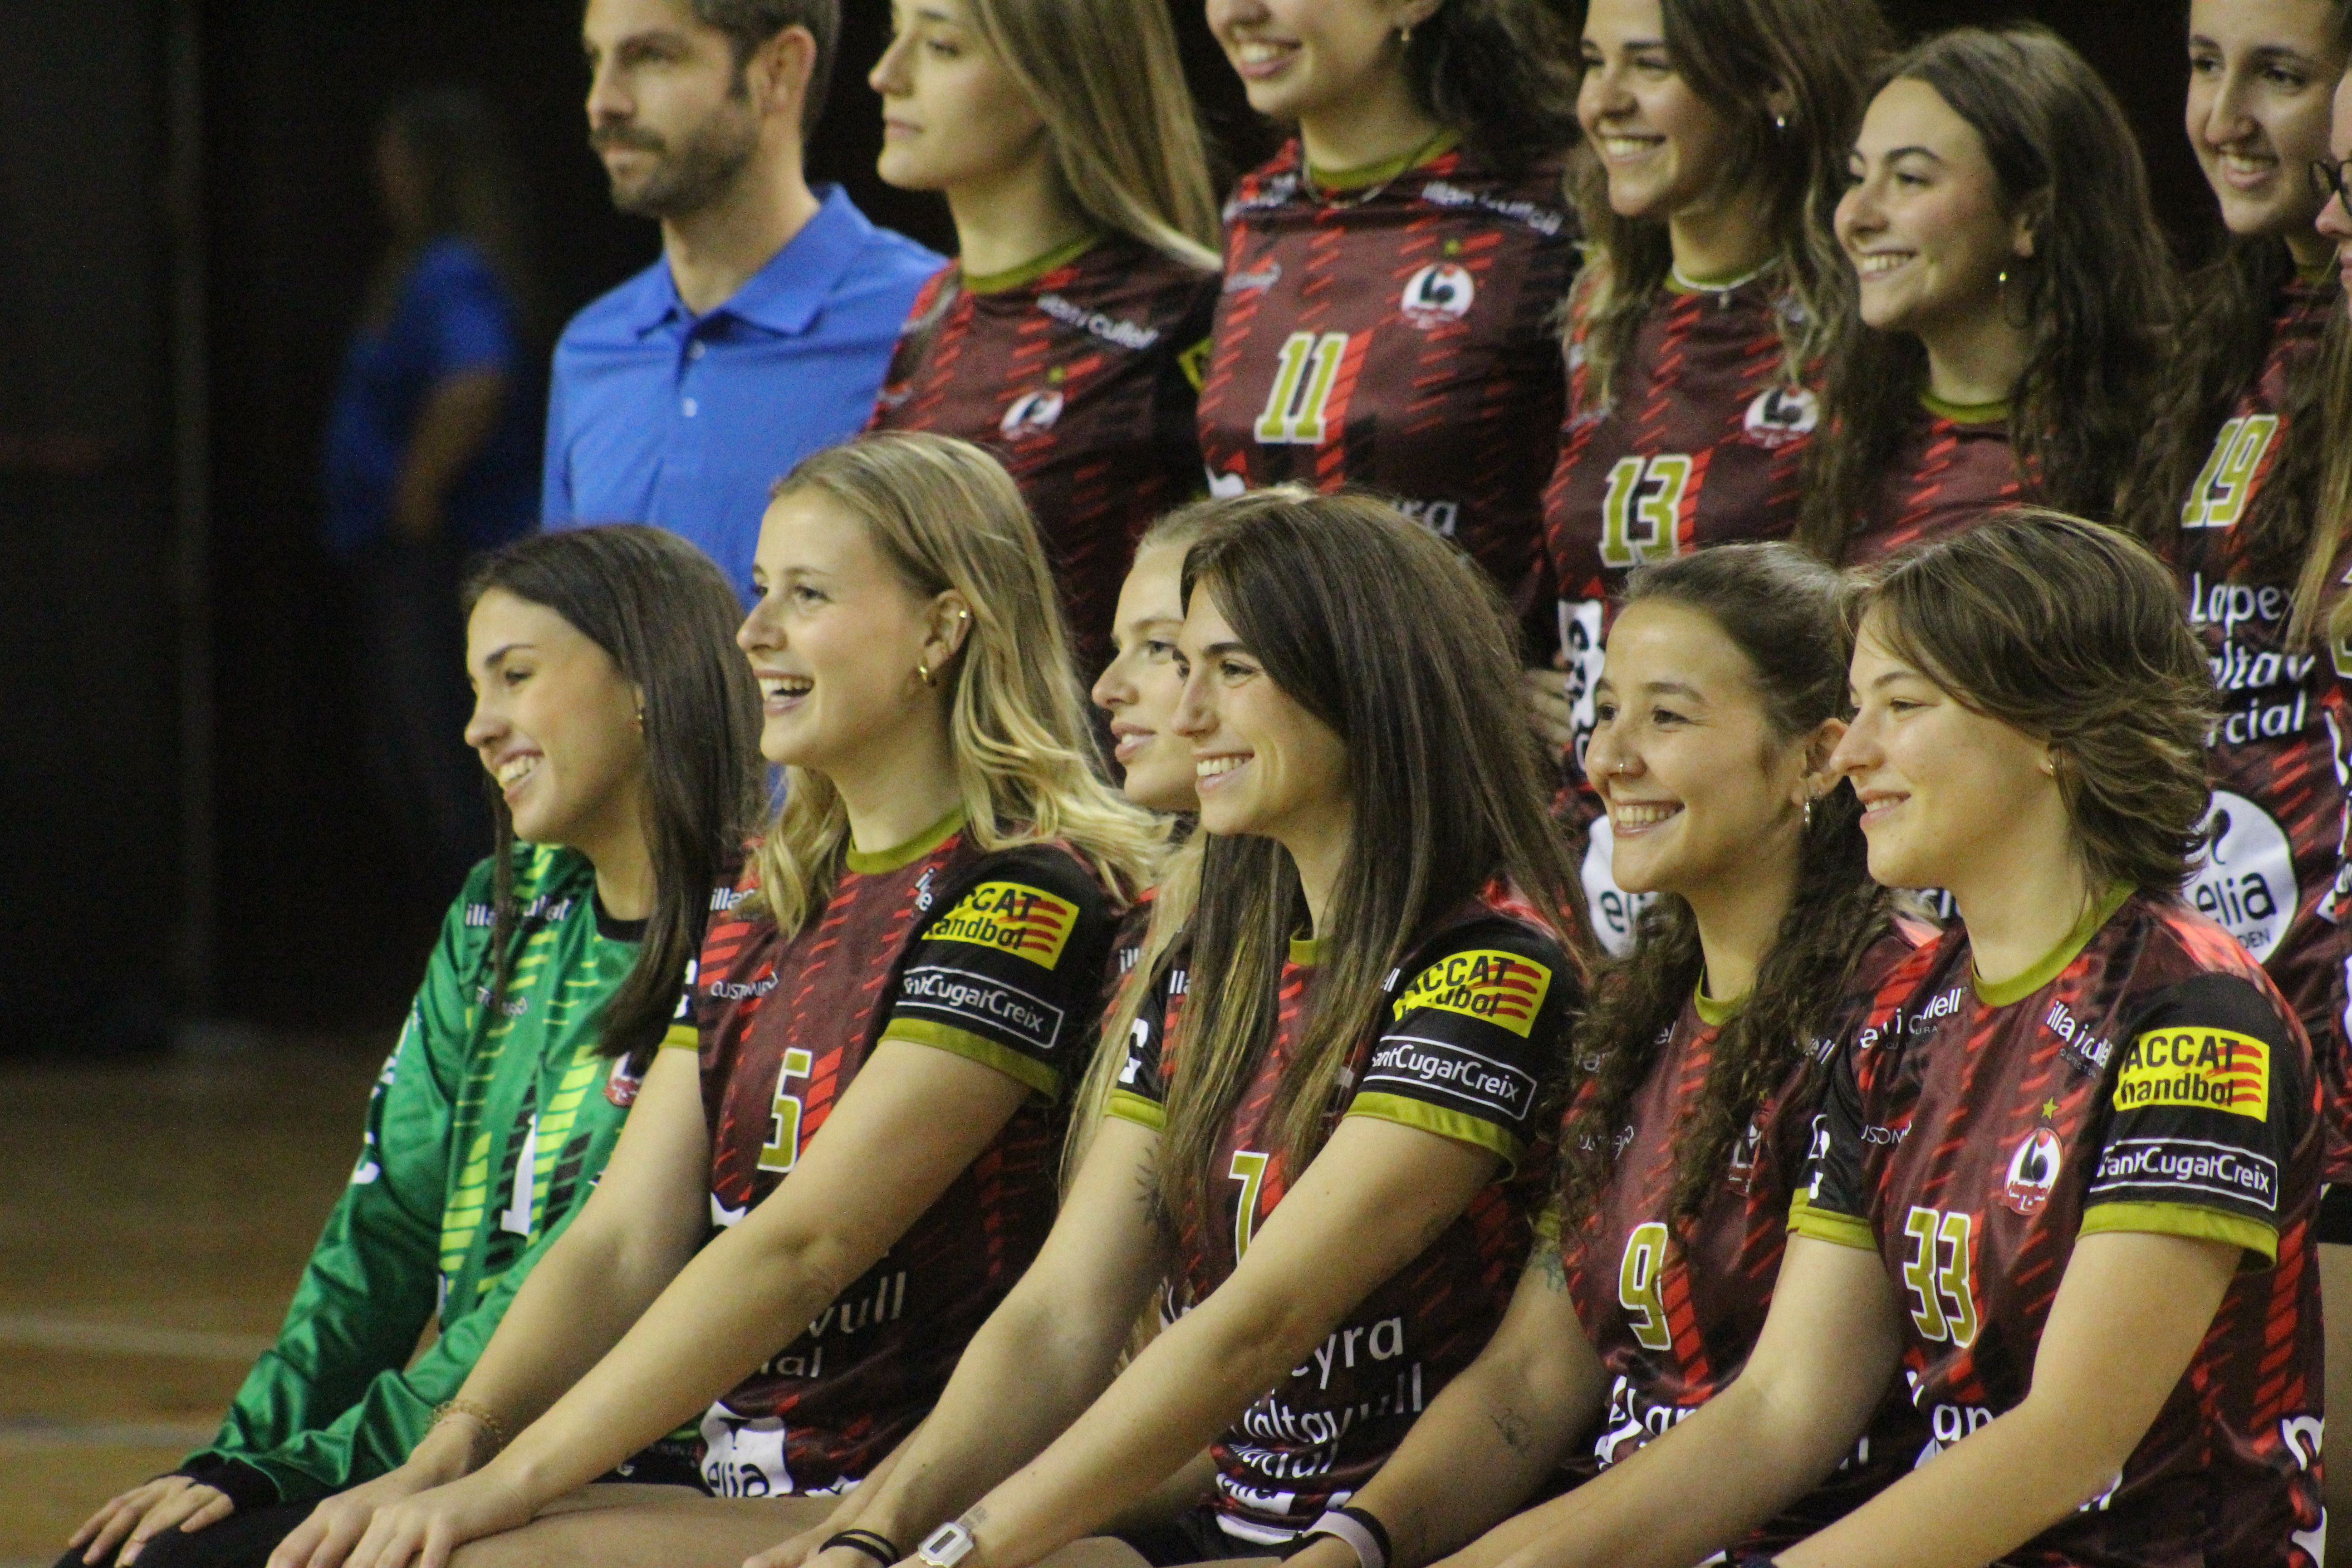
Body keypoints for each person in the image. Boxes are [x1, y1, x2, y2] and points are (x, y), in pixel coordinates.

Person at [267, 433, 1156, 1568]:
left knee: (472, 1556)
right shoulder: (762, 886)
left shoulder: (1021, 889)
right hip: (738, 1471)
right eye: (757, 592)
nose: (753, 633)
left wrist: (506, 1488)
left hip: (909, 1493)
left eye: (808, 595)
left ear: (941, 627)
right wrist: (455, 1451)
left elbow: (804, 1246)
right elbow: (619, 1238)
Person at [1449, 511, 2324, 1568]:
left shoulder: (2192, 1015)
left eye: (1901, 706)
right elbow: (1780, 1404)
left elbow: (2067, 1442)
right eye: (1855, 708)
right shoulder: (1898, 1017)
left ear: (2055, 727)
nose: (1852, 749)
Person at [761, 488, 1591, 1568]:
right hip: (1217, 1525)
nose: (1184, 712)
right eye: (1179, 664)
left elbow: (1258, 1321)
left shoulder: (1487, 971)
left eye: (1230, 670)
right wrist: (870, 1534)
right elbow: (1061, 1314)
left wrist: (956, 1549)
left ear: (1362, 681)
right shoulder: (1216, 965)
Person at [64, 527, 764, 1568]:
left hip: (627, 1449)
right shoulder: (498, 911)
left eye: (515, 676)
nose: (479, 726)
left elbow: (581, 1278)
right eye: (474, 687)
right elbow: (381, 1231)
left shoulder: (755, 928)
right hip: (457, 1438)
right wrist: (240, 1457)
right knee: (147, 1546)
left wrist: (311, 1466)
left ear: (648, 681)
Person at [1288, 544, 1926, 1568]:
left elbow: (1781, 1418)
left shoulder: (1900, 1016)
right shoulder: (1636, 1012)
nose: (1607, 759)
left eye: (1666, 718)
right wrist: (1350, 1548)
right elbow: (1529, 1384)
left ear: (1816, 758)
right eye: (1604, 711)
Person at [1528, 0, 1885, 956]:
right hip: (1599, 840)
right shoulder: (1595, 310)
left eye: (1650, 65)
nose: (1604, 101)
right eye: (1594, 63)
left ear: (1770, 83)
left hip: (1801, 867)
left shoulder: (1868, 323)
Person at [1191, 0, 1582, 633]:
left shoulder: (1555, 207)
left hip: (1462, 721)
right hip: (1272, 708)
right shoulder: (1252, 207)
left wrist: (1581, 687)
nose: (1239, 11)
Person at [864, 0, 1224, 675]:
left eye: (942, 47)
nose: (886, 74)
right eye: (894, 34)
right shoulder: (933, 305)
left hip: (1108, 771)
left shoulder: (1188, 310)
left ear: (1051, 81)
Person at [543, 0, 943, 603]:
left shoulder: (929, 318)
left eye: (651, 57)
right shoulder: (591, 349)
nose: (604, 101)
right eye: (597, 59)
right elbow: (566, 639)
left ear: (779, 70)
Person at [1795, 27, 2177, 567]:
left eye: (1909, 178)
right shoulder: (1850, 430)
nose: (1856, 217)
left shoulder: (2160, 430)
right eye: (1857, 177)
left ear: (2030, 216)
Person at [324, 87, 544, 902]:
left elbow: (475, 378)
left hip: (443, 551)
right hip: (409, 548)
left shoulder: (451, 272)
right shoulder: (419, 266)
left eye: (395, 156)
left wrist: (416, 493)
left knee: (448, 752)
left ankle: (490, 956)